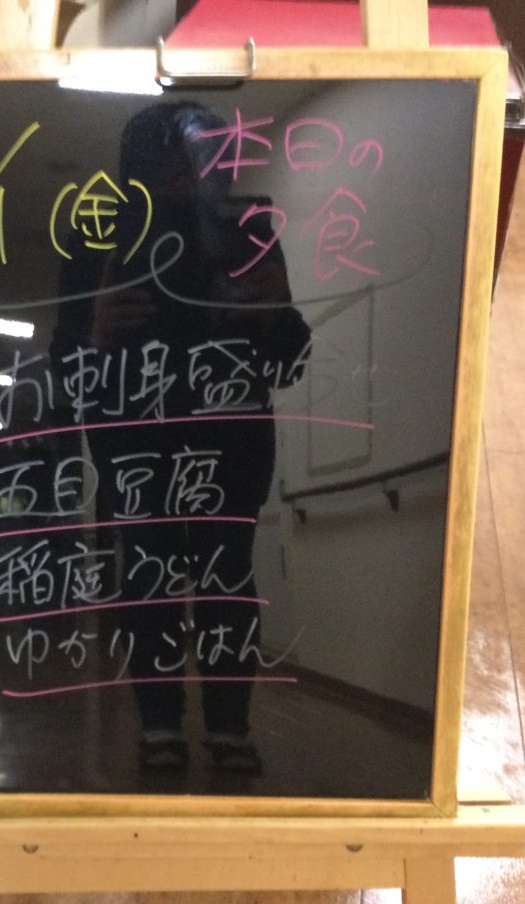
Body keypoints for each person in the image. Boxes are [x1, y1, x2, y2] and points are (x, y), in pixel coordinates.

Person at [50, 102, 310, 775]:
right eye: (165, 162)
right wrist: (94, 330)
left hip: (223, 431)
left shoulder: (248, 234)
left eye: (195, 160)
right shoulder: (96, 238)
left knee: (218, 572)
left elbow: (289, 361)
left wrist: (273, 313)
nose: (182, 177)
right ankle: (169, 725)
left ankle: (219, 727)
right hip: (142, 432)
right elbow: (63, 367)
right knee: (156, 572)